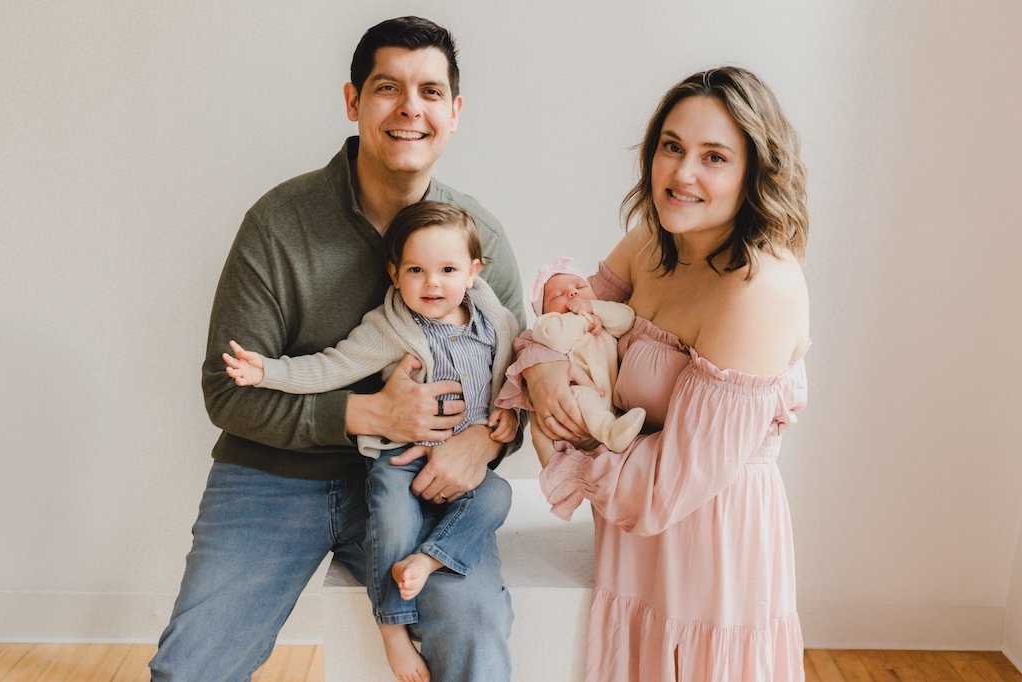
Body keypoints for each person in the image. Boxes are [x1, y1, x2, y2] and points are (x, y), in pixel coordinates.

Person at [149, 16, 525, 682]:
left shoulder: (476, 236)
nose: (411, 108)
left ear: (455, 112)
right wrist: (367, 414)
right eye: (388, 88)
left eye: (431, 92)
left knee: (474, 627)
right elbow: (226, 391)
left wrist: (487, 442)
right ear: (353, 102)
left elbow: (516, 377)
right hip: (273, 477)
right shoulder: (280, 223)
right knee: (191, 667)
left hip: (420, 479)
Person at [519, 66, 810, 681]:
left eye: (714, 156)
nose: (682, 174)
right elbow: (563, 323)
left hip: (711, 554)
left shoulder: (758, 290)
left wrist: (559, 454)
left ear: (755, 173)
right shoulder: (651, 243)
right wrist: (543, 373)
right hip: (631, 543)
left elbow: (666, 488)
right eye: (672, 147)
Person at [222, 201, 519, 681]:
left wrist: (507, 416)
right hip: (402, 460)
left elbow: (515, 377)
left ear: (474, 272)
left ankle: (431, 558)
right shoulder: (392, 327)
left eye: (447, 269)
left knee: (499, 496)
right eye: (416, 270)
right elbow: (331, 365)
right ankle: (393, 631)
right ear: (394, 273)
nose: (432, 283)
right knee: (391, 519)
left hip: (466, 467)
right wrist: (268, 371)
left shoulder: (497, 322)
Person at [495, 257, 644, 455]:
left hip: (611, 399)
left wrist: (595, 309)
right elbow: (555, 338)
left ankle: (615, 429)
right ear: (543, 312)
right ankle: (610, 433)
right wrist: (583, 319)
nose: (572, 292)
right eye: (558, 296)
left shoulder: (602, 316)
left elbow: (627, 318)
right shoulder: (547, 325)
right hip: (575, 395)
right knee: (583, 397)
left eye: (579, 286)